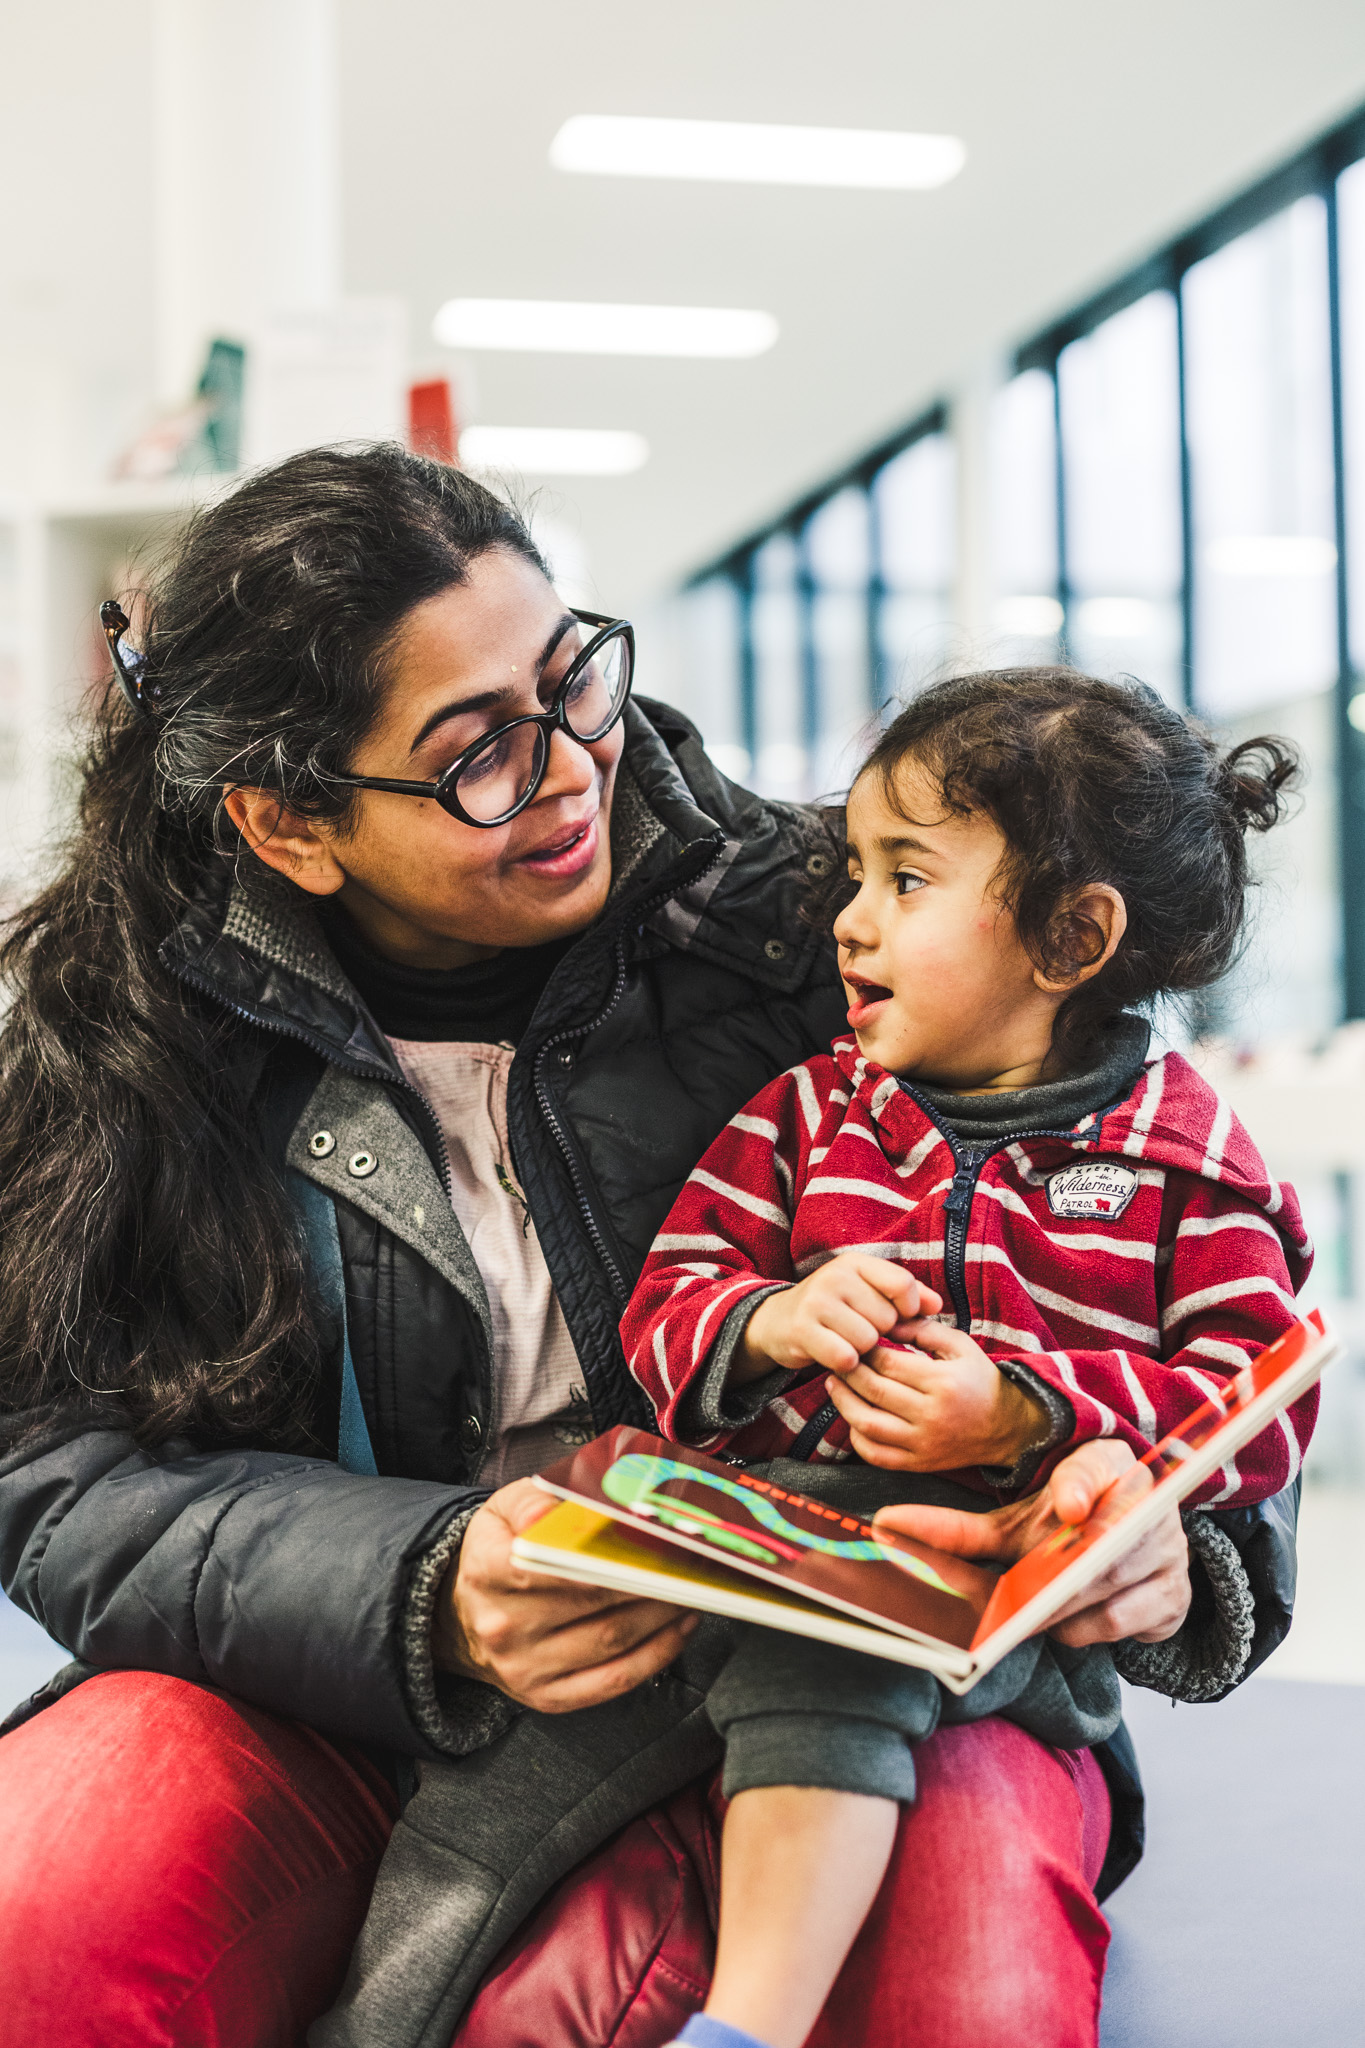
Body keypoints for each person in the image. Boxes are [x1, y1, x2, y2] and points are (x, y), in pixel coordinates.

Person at [0, 447, 1293, 2048]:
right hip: (328, 1687)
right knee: (49, 1901)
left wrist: (1165, 1532)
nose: (567, 769)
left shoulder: (832, 931)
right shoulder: (111, 1042)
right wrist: (423, 1587)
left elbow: (1179, 1285)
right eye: (476, 753)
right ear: (289, 821)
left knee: (962, 1964)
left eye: (572, 681)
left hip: (846, 1657)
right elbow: (56, 1472)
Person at [620, 670, 1315, 2048]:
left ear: (1068, 936)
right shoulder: (806, 1113)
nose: (849, 920)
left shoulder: (1183, 1165)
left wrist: (1025, 1414)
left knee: (830, 1660)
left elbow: (1259, 1413)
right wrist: (765, 1324)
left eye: (904, 880)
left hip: (1011, 1616)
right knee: (781, 1657)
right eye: (854, 874)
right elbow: (666, 1308)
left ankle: (740, 2026)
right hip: (772, 1574)